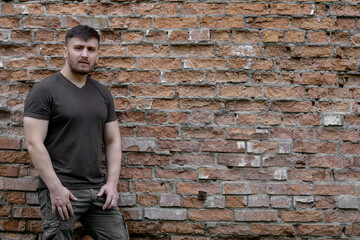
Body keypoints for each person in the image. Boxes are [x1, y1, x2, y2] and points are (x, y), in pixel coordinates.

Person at [23, 25, 129, 240]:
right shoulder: (45, 90)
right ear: (65, 51)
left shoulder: (102, 92)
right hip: (63, 189)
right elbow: (34, 143)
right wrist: (55, 189)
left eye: (91, 49)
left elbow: (112, 141)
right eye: (78, 48)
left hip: (98, 190)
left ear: (97, 54)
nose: (84, 54)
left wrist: (111, 184)